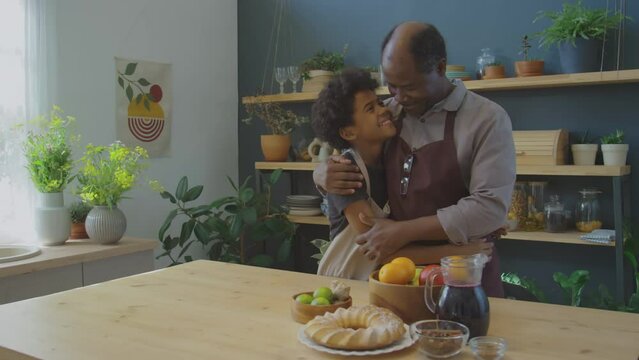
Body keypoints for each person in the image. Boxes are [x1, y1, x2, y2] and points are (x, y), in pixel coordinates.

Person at [313, 22, 515, 297]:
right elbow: (353, 154)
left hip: (463, 274)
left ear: (441, 68)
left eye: (407, 87)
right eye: (391, 86)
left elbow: (489, 209)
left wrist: (402, 231)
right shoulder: (392, 113)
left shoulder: (487, 119)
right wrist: (322, 173)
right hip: (397, 277)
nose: (396, 97)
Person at [312, 68, 493, 281]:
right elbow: (379, 249)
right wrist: (455, 252)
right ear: (349, 132)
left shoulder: (388, 155)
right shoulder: (347, 174)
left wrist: (485, 219)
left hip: (383, 281)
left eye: (379, 102)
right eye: (370, 109)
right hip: (345, 285)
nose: (384, 109)